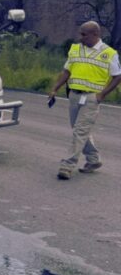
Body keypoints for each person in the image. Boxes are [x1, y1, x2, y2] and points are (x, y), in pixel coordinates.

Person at [48, 21, 120, 179]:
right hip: (74, 95)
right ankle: (94, 160)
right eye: (80, 34)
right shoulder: (75, 49)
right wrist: (55, 88)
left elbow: (117, 77)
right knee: (78, 130)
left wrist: (102, 95)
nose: (80, 38)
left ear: (95, 34)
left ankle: (67, 165)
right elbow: (66, 71)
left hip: (92, 98)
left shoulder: (109, 53)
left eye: (84, 34)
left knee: (80, 131)